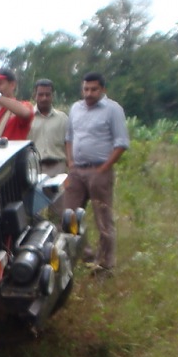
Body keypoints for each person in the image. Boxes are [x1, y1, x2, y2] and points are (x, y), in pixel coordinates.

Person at [64, 72, 130, 275]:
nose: (89, 93)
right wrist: (71, 162)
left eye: (94, 89)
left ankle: (105, 266)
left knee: (103, 219)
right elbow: (69, 137)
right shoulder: (76, 108)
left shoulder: (113, 110)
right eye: (86, 89)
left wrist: (104, 168)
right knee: (68, 217)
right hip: (77, 171)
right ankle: (85, 256)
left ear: (103, 90)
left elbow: (121, 143)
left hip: (99, 170)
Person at [29, 78, 69, 220]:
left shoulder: (62, 118)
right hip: (35, 169)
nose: (44, 98)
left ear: (53, 95)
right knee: (33, 211)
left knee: (59, 211)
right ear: (35, 95)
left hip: (57, 167)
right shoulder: (27, 117)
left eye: (47, 94)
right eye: (41, 94)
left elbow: (68, 144)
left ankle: (58, 240)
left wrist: (71, 169)